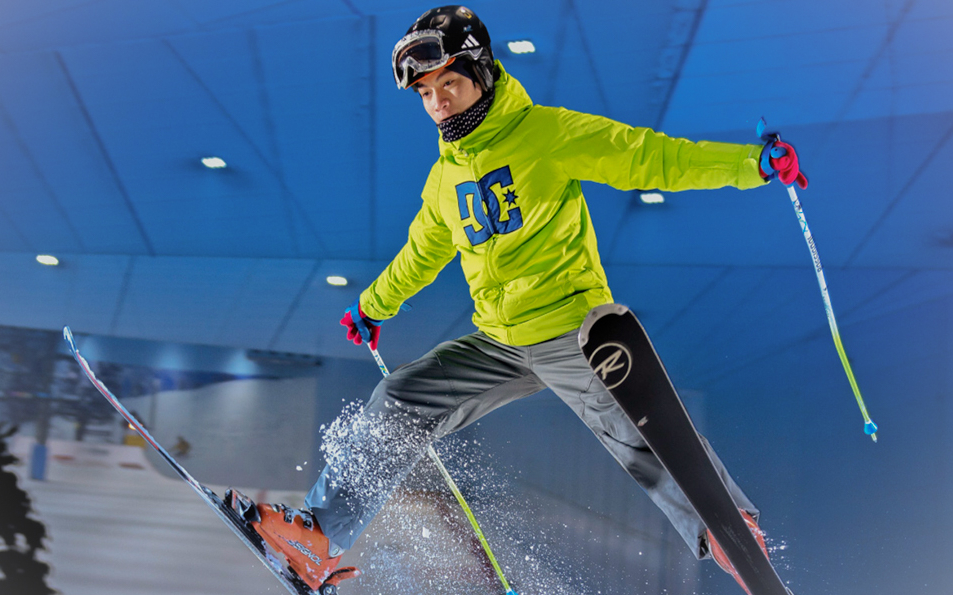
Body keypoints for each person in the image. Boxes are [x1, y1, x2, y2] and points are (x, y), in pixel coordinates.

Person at [227, 5, 806, 594]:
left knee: (632, 424)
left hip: (570, 330)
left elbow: (649, 156)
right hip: (498, 343)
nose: (438, 102)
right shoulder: (445, 177)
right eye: (426, 92)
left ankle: (729, 528)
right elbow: (421, 252)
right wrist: (373, 305)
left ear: (482, 72)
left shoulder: (547, 133)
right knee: (398, 397)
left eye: (448, 83)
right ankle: (317, 538)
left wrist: (750, 165)